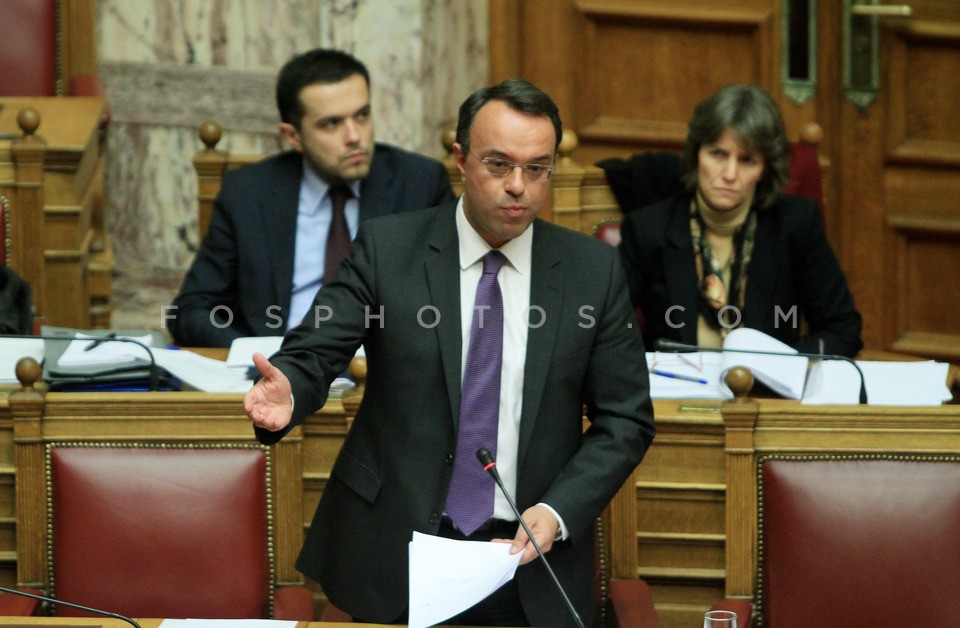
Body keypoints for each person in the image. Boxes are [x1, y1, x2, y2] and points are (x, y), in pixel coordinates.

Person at [244, 78, 655, 626]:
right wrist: (291, 388)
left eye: (538, 168)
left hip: (526, 557)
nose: (518, 186)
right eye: (498, 164)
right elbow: (317, 348)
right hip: (396, 548)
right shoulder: (389, 249)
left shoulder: (592, 273)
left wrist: (560, 509)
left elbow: (626, 419)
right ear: (459, 159)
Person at [167, 48, 455, 347]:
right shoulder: (248, 194)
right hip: (277, 369)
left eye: (362, 115)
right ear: (292, 136)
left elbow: (452, 298)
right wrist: (257, 356)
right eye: (332, 124)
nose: (354, 136)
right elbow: (190, 310)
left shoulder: (419, 184)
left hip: (379, 376)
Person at [618, 83, 863, 357]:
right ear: (696, 155)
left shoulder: (796, 225)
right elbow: (604, 326)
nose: (730, 174)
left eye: (747, 160)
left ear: (765, 169)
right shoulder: (649, 229)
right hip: (677, 393)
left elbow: (842, 329)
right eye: (718, 154)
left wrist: (786, 367)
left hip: (767, 394)